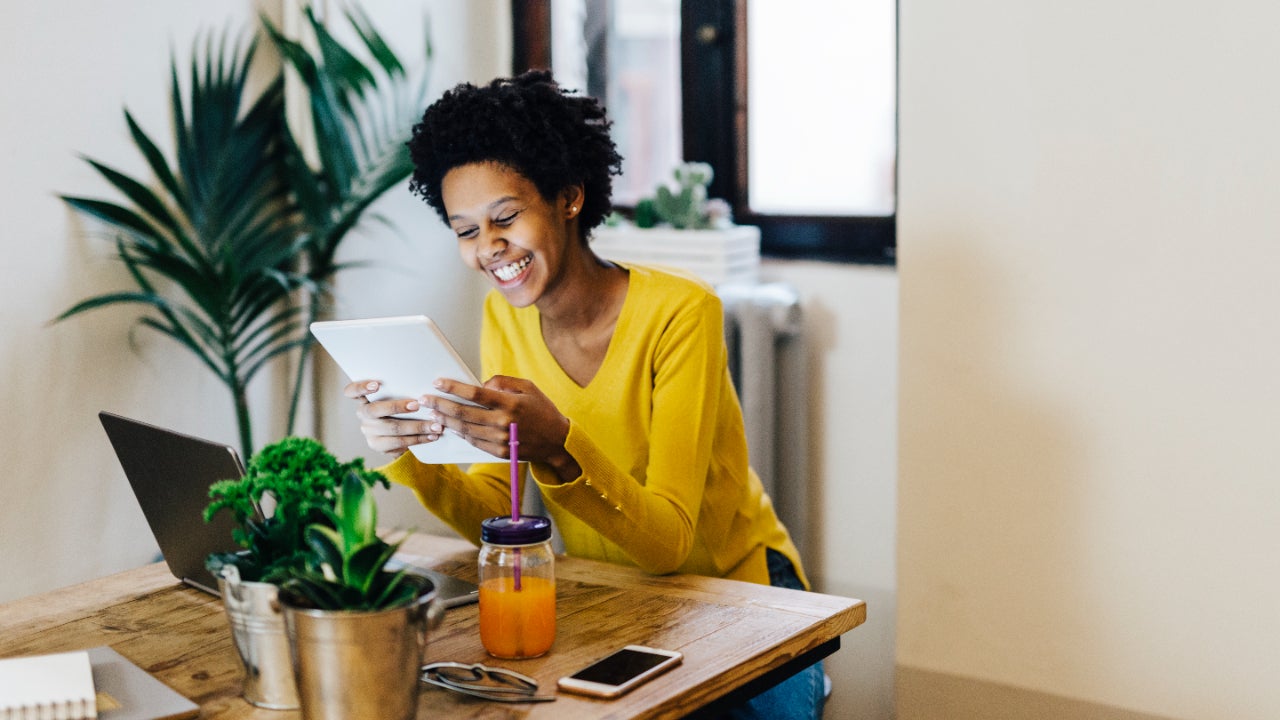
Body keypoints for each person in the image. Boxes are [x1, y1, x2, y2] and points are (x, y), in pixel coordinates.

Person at [345, 70, 825, 719]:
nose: (489, 249)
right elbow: (498, 510)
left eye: (505, 217)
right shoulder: (503, 319)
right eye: (465, 231)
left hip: (743, 596)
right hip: (617, 599)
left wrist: (560, 448)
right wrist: (412, 453)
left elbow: (670, 545)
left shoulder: (682, 313)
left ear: (569, 197)